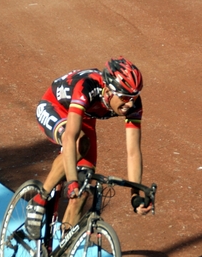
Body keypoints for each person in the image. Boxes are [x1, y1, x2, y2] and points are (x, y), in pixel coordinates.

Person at [25, 56, 152, 239]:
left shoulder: (133, 105)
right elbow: (71, 138)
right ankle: (39, 200)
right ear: (108, 91)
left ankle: (62, 256)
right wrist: (71, 181)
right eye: (125, 97)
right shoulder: (87, 87)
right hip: (55, 107)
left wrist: (135, 194)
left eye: (133, 97)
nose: (130, 103)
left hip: (83, 119)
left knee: (83, 191)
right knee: (80, 144)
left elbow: (133, 152)